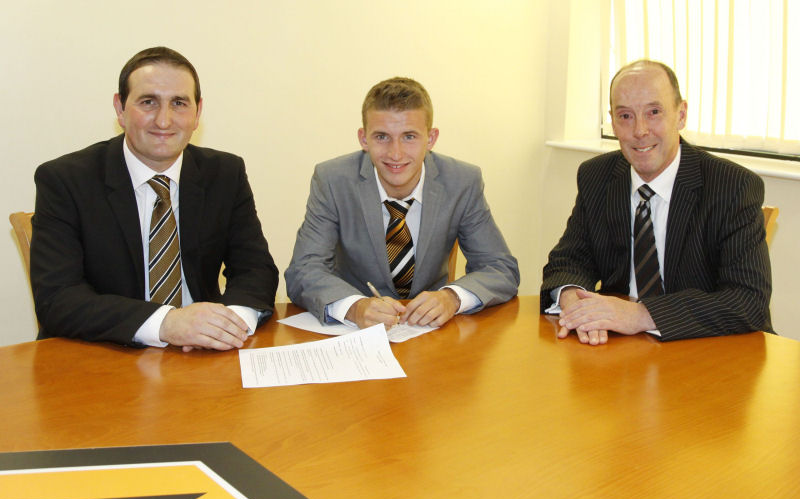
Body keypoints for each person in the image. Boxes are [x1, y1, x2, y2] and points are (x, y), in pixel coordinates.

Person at [31, 47, 279, 351]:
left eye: (179, 103)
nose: (164, 121)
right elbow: (58, 299)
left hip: (200, 357)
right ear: (120, 109)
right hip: (103, 355)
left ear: (198, 112)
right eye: (148, 102)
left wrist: (227, 324)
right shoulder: (65, 180)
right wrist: (166, 323)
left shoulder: (225, 173)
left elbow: (255, 270)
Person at [541, 59, 772, 344]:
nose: (640, 130)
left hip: (710, 351)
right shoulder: (597, 177)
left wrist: (640, 315)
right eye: (625, 116)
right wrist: (573, 300)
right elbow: (568, 261)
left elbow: (747, 300)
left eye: (654, 112)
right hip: (623, 353)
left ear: (681, 114)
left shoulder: (732, 186)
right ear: (612, 121)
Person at [285, 77, 519, 330]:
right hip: (353, 333)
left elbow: (500, 267)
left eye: (409, 137)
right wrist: (353, 307)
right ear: (364, 139)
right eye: (382, 137)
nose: (395, 154)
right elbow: (304, 269)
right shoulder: (332, 180)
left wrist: (452, 297)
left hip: (429, 333)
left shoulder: (462, 182)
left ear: (431, 138)